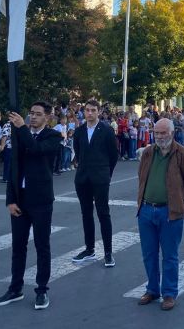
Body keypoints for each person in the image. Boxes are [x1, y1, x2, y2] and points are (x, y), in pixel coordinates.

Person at [0, 102, 62, 310]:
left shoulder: (53, 137)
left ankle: (41, 290)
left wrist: (21, 128)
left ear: (48, 118)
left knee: (42, 246)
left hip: (41, 200)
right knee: (18, 246)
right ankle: (15, 288)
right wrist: (10, 200)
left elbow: (36, 149)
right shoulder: (20, 135)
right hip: (20, 199)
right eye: (31, 113)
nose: (33, 117)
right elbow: (13, 169)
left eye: (38, 114)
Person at [135, 118, 184, 311]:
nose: (159, 136)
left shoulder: (182, 153)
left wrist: (176, 197)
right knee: (149, 254)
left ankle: (169, 293)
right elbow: (141, 176)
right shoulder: (148, 152)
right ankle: (152, 289)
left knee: (169, 255)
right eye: (157, 133)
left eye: (163, 133)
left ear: (172, 132)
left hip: (170, 212)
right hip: (146, 210)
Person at [71, 100, 119, 267]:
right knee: (86, 213)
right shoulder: (79, 131)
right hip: (83, 178)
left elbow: (114, 154)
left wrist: (107, 174)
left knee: (103, 213)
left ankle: (108, 252)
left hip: (101, 177)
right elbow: (78, 152)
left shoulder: (106, 130)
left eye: (93, 110)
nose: (89, 113)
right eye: (87, 110)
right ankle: (89, 249)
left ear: (98, 112)